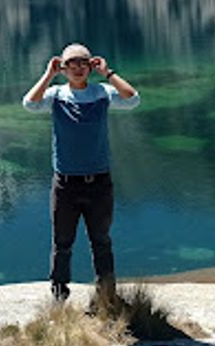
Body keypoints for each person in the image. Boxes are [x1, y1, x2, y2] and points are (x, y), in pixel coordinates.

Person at [22, 43, 140, 303]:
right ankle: (59, 293)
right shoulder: (56, 95)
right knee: (62, 242)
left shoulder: (102, 92)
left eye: (83, 63)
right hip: (65, 183)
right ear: (63, 68)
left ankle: (106, 295)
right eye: (71, 63)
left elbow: (132, 99)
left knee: (101, 240)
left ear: (91, 65)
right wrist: (48, 75)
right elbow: (29, 103)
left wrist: (108, 72)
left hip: (99, 181)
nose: (77, 68)